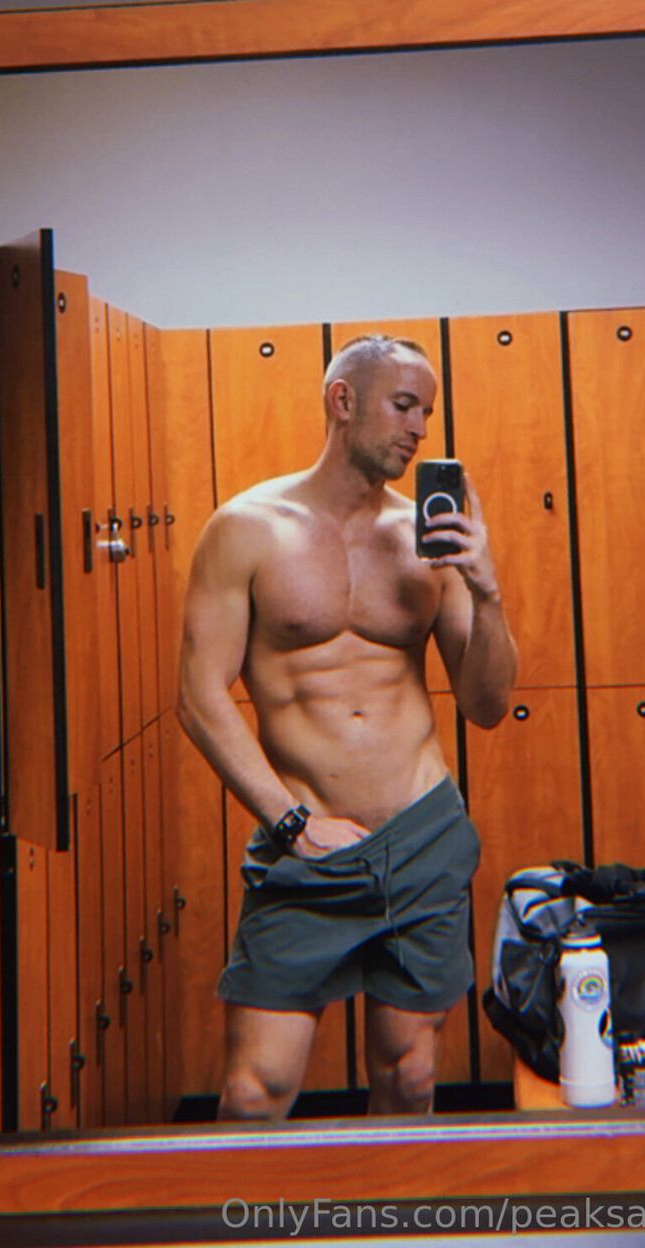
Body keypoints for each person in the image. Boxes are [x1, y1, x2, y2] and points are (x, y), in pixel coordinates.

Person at [176, 334, 518, 1119]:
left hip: (422, 836)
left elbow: (486, 704)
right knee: (255, 1092)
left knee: (409, 1077)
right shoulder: (247, 528)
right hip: (308, 841)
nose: (419, 429)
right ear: (343, 401)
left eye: (426, 412)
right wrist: (289, 822)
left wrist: (487, 591)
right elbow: (198, 696)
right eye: (404, 406)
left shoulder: (425, 537)